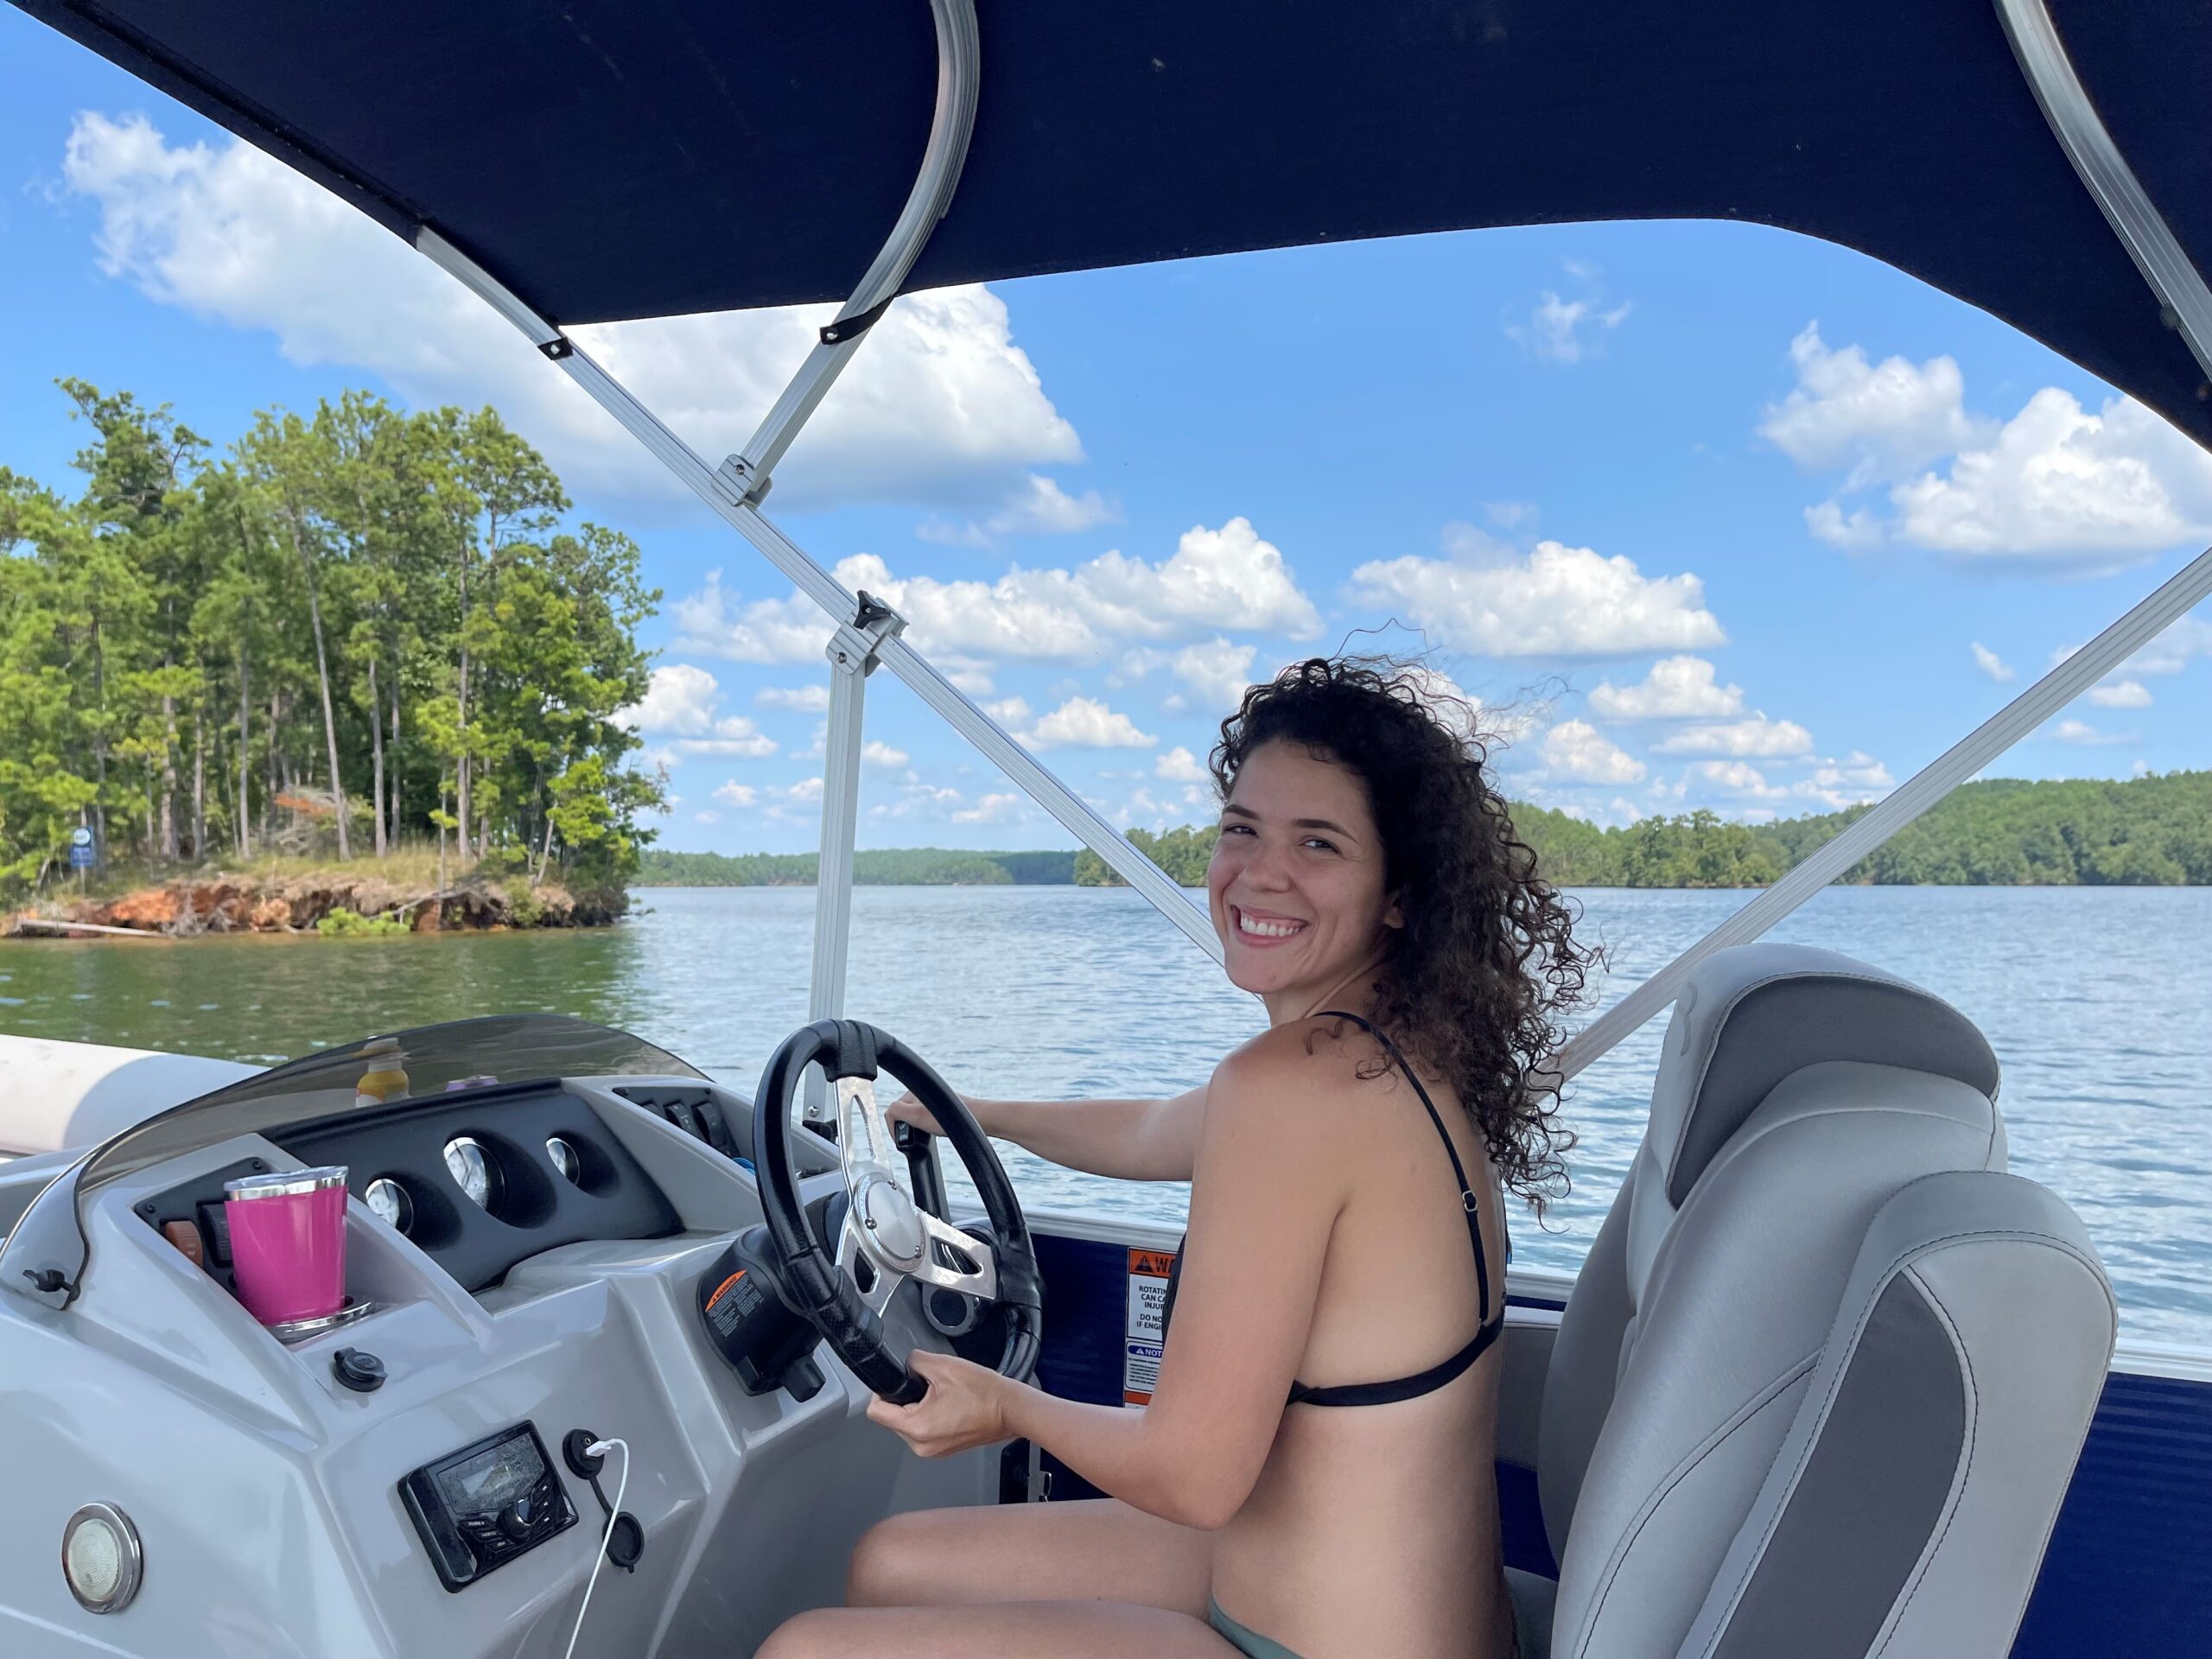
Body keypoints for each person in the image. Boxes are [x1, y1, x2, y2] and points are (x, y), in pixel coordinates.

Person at [759, 657, 1596, 1659]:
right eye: (1242, 829)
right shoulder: (1392, 1054)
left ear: (1399, 896)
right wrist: (977, 1115)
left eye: (1317, 844)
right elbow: (1162, 1131)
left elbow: (1194, 1476)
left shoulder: (1289, 1088)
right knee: (892, 1563)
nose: (1260, 873)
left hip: (1309, 1640)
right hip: (1393, 1610)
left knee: (804, 1648)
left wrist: (1004, 1405)